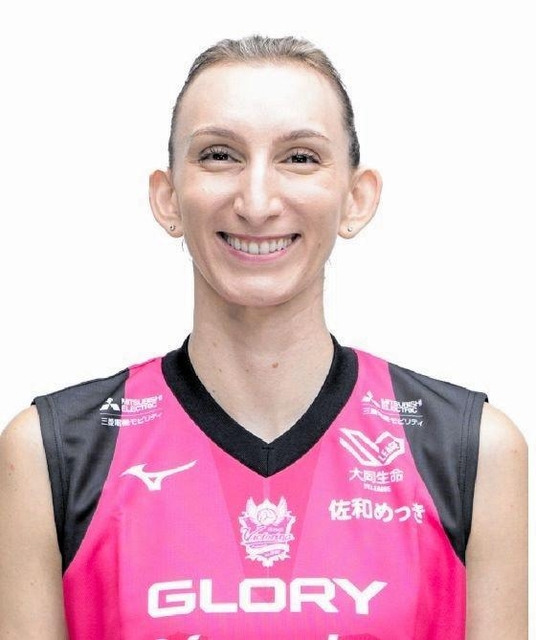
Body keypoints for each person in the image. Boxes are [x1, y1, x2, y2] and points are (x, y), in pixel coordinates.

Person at [0, 35, 527, 640]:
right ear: (167, 198)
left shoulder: (472, 451)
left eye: (299, 158)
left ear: (356, 199)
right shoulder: (51, 454)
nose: (256, 203)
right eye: (219, 155)